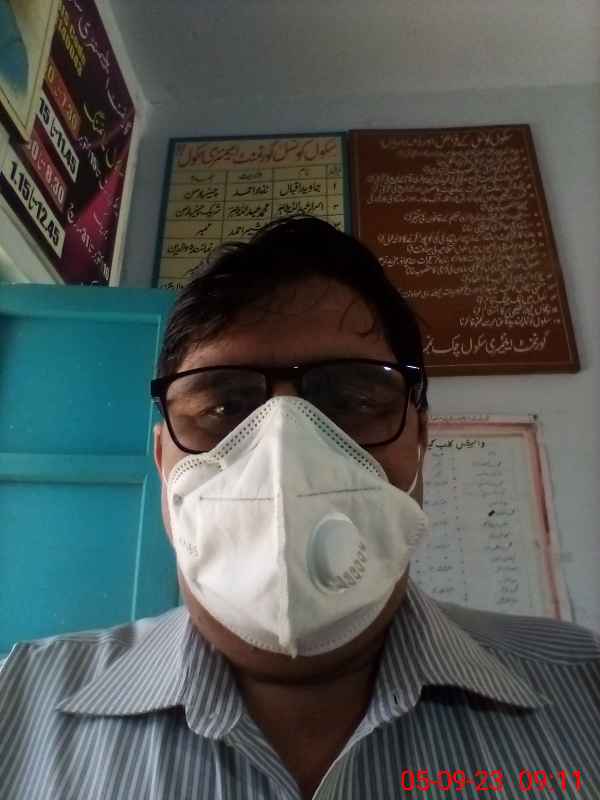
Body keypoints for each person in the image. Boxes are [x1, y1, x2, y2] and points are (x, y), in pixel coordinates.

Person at [0, 216, 598, 800]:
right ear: (163, 460)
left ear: (420, 441)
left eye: (351, 400)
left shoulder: (586, 692)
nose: (283, 452)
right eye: (224, 408)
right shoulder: (18, 704)